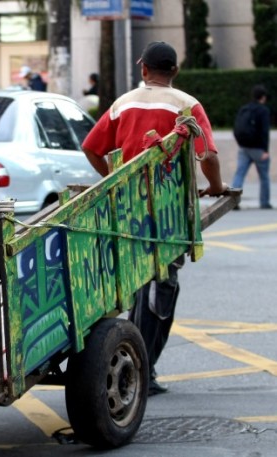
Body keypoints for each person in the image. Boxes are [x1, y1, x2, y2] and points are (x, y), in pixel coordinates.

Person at [81, 41, 228, 396]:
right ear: (174, 71)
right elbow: (206, 153)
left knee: (134, 283)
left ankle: (134, 359)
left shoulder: (122, 103)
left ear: (143, 69)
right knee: (161, 287)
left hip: (126, 213)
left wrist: (111, 179)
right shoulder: (186, 105)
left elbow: (91, 147)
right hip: (166, 216)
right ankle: (143, 368)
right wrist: (217, 185)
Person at [232, 85, 272, 209]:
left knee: (239, 174)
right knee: (264, 176)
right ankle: (264, 202)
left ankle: (233, 202)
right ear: (263, 97)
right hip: (258, 149)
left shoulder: (245, 109)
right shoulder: (263, 110)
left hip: (244, 147)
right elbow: (264, 132)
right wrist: (265, 150)